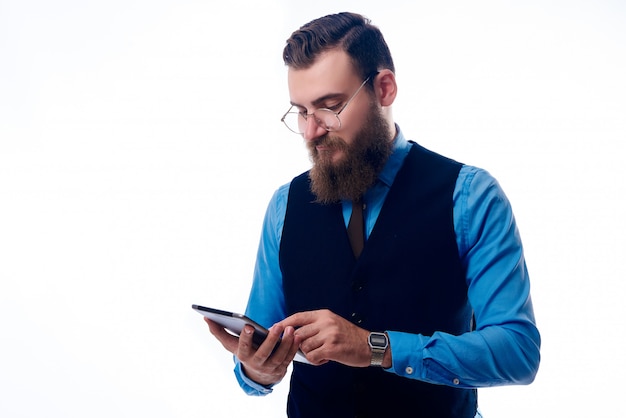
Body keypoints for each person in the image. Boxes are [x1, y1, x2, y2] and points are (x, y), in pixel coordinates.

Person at [205, 11, 540, 418]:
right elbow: (260, 348)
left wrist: (373, 347)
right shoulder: (284, 206)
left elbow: (518, 351)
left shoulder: (470, 197)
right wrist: (256, 370)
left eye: (329, 107)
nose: (311, 131)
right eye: (301, 112)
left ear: (384, 88)